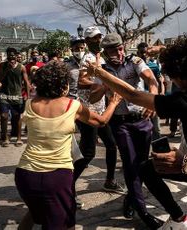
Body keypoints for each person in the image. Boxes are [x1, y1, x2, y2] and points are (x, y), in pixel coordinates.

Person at [85, 34, 187, 229]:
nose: (174, 84)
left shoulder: (184, 102)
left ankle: (179, 218)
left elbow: (132, 94)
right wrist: (162, 50)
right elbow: (186, 56)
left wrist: (99, 72)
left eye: (174, 79)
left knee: (147, 169)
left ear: (180, 77)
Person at [14, 60, 122, 230]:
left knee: (35, 215)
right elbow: (101, 121)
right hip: (56, 177)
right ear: (63, 86)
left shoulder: (29, 105)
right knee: (65, 223)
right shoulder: (72, 106)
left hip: (25, 175)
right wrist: (114, 102)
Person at [90, 33, 162, 229]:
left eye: (120, 48)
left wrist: (153, 101)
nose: (119, 53)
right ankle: (143, 211)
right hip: (120, 123)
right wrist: (102, 85)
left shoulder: (135, 61)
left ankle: (131, 198)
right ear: (105, 52)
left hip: (142, 120)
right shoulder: (102, 70)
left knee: (141, 163)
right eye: (113, 50)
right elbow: (94, 99)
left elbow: (152, 81)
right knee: (130, 164)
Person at [73, 28, 125, 203]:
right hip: (89, 110)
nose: (98, 40)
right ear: (87, 41)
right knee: (88, 153)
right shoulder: (88, 57)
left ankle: (109, 181)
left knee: (111, 146)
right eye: (94, 38)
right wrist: (102, 82)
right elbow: (81, 82)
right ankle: (66, 187)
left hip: (101, 110)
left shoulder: (101, 58)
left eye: (99, 37)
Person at [0, 47, 32, 147]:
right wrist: (7, 69)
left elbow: (26, 82)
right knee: (4, 116)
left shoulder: (21, 67)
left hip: (17, 95)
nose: (11, 56)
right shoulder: (2, 65)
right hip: (4, 95)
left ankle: (19, 138)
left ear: (16, 55)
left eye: (13, 54)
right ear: (7, 55)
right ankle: (5, 138)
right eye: (9, 54)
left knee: (17, 117)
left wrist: (28, 97)